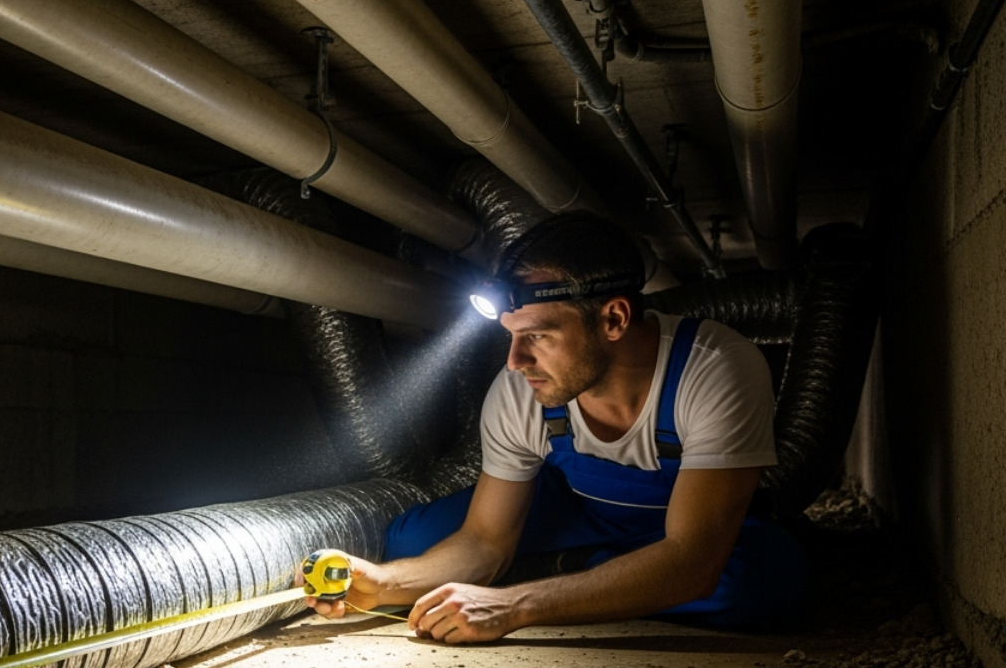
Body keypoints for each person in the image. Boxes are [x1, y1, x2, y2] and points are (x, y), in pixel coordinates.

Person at [302, 212, 807, 642]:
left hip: (686, 523)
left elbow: (693, 559)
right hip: (580, 512)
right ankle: (607, 576)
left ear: (613, 319)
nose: (516, 360)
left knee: (756, 586)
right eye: (512, 336)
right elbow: (484, 540)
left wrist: (514, 606)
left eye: (538, 335)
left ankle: (568, 573)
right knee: (413, 542)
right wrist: (383, 582)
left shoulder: (714, 366)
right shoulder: (519, 386)